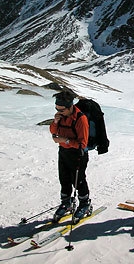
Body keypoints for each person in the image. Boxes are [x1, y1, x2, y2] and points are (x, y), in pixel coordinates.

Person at [50, 90, 92, 222]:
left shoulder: (81, 119)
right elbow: (53, 130)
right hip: (63, 152)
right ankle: (66, 203)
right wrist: (55, 122)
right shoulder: (61, 117)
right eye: (56, 109)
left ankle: (85, 204)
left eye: (61, 110)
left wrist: (65, 141)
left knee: (78, 181)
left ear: (70, 107)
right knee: (64, 179)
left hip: (77, 155)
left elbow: (83, 143)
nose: (58, 112)